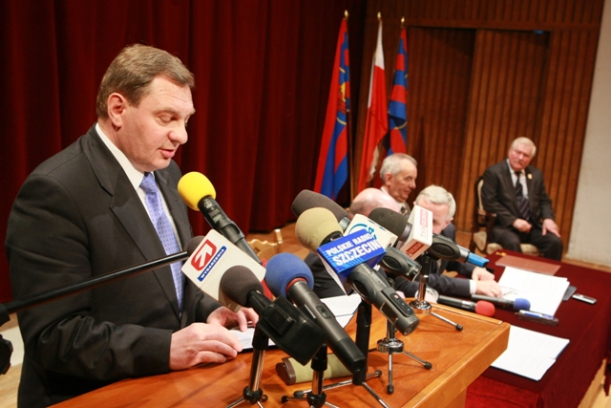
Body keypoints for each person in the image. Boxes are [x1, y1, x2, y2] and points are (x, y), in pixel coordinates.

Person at [5, 44, 257, 407]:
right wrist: (166, 348)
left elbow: (173, 281)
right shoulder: (54, 192)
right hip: (92, 396)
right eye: (167, 118)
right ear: (118, 109)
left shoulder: (168, 173)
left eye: (185, 120)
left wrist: (208, 311)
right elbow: (54, 335)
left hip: (175, 387)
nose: (182, 135)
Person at [306, 188, 502, 299]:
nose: (399, 228)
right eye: (389, 219)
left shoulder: (380, 242)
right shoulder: (332, 256)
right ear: (365, 219)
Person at [411, 185, 502, 297]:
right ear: (414, 207)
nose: (424, 225)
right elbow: (418, 277)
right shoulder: (401, 233)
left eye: (433, 221)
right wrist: (473, 286)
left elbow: (453, 258)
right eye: (422, 216)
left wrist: (474, 269)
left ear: (446, 223)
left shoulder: (448, 231)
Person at [481, 137, 563, 260]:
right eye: (518, 152)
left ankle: (546, 273)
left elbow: (544, 200)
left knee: (555, 242)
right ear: (510, 151)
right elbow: (490, 202)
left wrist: (548, 218)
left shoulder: (536, 174)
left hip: (531, 226)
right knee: (513, 242)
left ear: (530, 158)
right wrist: (513, 220)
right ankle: (515, 273)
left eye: (525, 155)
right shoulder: (494, 172)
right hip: (503, 226)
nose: (520, 157)